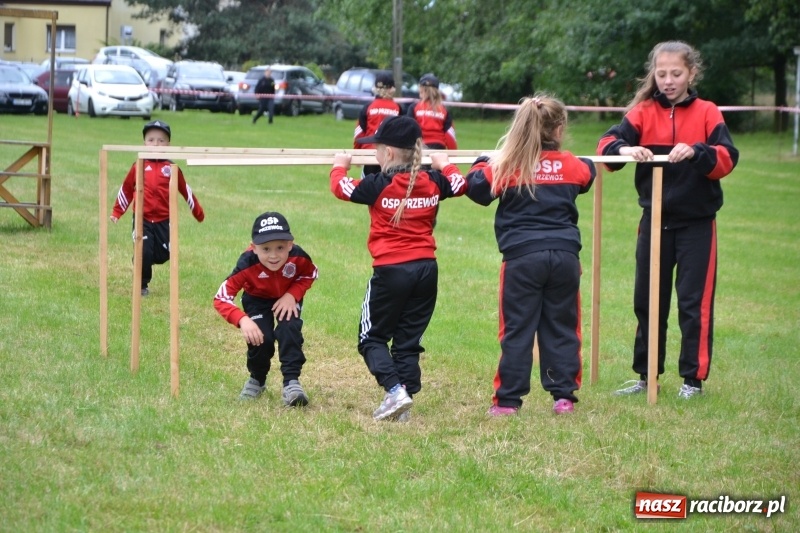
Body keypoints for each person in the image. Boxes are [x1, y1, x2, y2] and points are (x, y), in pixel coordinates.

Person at [596, 41, 739, 399]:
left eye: (676, 73)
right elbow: (605, 145)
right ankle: (646, 377)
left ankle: (693, 381)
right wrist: (625, 149)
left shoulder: (707, 112)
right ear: (654, 75)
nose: (669, 81)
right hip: (653, 220)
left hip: (697, 224)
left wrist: (697, 151)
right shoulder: (643, 112)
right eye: (662, 74)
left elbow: (727, 157)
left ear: (691, 73)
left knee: (694, 304)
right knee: (647, 301)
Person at [329, 115, 467, 421]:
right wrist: (446, 163)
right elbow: (459, 184)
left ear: (388, 153)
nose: (374, 153)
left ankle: (394, 391)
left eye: (376, 148)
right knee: (407, 340)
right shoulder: (432, 181)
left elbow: (340, 187)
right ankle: (402, 401)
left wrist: (340, 164)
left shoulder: (377, 185)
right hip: (426, 270)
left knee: (371, 338)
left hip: (392, 271)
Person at [466, 94, 595, 417]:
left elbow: (477, 189)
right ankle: (563, 396)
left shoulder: (508, 165)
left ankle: (508, 401)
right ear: (560, 129)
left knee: (517, 329)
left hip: (522, 259)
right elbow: (588, 174)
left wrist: (483, 161)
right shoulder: (571, 164)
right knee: (563, 326)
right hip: (565, 257)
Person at [213, 211, 318, 405]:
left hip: (287, 297)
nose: (273, 255)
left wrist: (292, 294)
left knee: (289, 329)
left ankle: (291, 383)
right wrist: (243, 319)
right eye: (266, 249)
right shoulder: (246, 264)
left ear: (290, 244)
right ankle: (257, 379)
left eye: (280, 247)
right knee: (261, 337)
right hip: (257, 299)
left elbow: (310, 274)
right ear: (254, 248)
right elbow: (221, 298)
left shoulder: (299, 258)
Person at [110, 120, 205, 296]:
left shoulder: (171, 168)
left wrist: (198, 212)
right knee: (143, 250)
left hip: (164, 219)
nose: (156, 144)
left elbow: (186, 191)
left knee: (163, 254)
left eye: (161, 140)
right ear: (144, 143)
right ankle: (142, 283)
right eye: (151, 140)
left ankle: (146, 258)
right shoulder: (138, 166)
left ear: (169, 144)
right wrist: (117, 211)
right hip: (142, 218)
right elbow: (126, 189)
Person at [354, 72, 401, 176]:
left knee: (367, 186)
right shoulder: (398, 108)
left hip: (370, 153)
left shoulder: (368, 107)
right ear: (392, 88)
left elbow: (359, 133)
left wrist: (356, 152)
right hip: (390, 155)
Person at [407, 73, 457, 150]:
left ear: (421, 89)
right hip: (439, 147)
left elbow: (409, 129)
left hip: (420, 148)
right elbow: (450, 134)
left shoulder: (414, 107)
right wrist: (453, 156)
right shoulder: (443, 110)